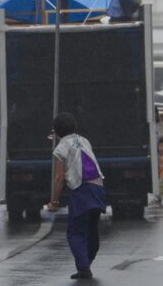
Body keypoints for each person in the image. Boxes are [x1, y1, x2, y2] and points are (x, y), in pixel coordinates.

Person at [46, 112, 106, 281]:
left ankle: (84, 267)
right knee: (92, 229)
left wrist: (54, 201)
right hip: (99, 188)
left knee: (76, 232)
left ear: (56, 132)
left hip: (82, 190)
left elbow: (59, 178)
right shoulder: (84, 140)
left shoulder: (61, 148)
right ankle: (87, 261)